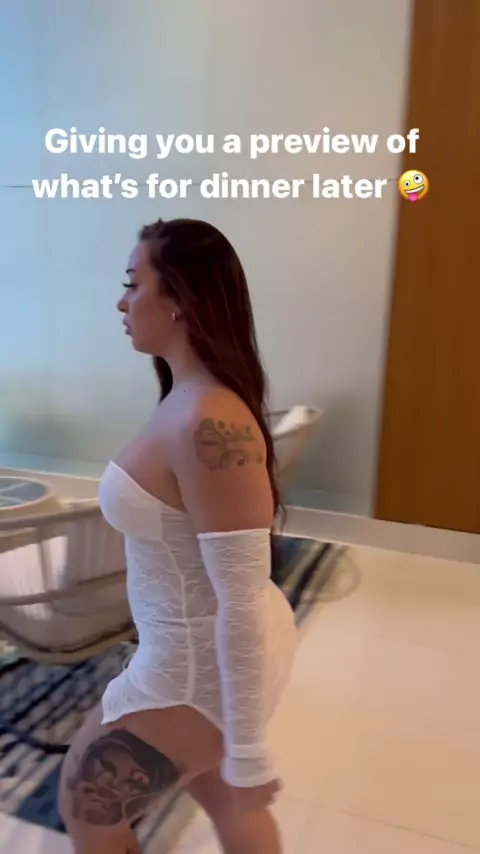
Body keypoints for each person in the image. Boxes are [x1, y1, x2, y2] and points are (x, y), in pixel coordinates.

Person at [59, 217, 297, 854]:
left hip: (196, 669)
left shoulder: (207, 420)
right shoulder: (190, 401)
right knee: (225, 799)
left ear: (181, 300)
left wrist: (248, 748)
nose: (122, 302)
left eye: (132, 283)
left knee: (87, 810)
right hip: (194, 653)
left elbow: (240, 598)